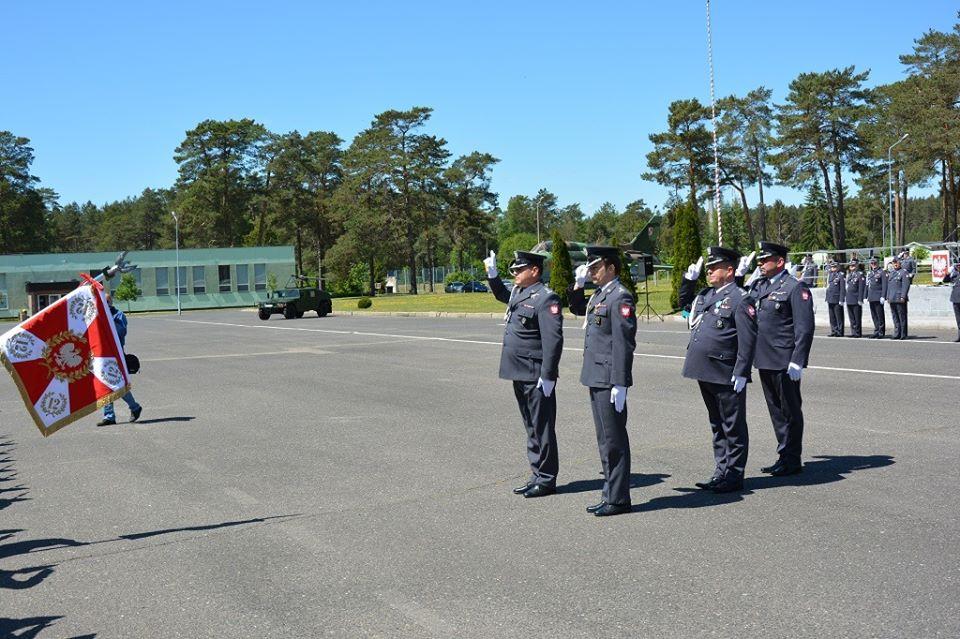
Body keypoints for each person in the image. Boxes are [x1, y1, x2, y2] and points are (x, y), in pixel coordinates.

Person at [484, 250, 564, 498]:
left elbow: (553, 341)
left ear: (535, 271)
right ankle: (537, 474)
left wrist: (548, 375)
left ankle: (547, 479)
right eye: (515, 270)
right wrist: (492, 274)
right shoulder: (520, 293)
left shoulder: (545, 298)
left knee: (542, 427)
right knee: (531, 427)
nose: (516, 274)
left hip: (535, 374)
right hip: (519, 371)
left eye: (520, 270)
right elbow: (502, 294)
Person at [679, 247, 758, 493]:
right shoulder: (706, 295)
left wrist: (742, 372)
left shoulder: (740, 298)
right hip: (705, 369)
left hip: (725, 372)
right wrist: (687, 282)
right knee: (717, 424)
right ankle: (721, 471)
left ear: (730, 270)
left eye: (715, 267)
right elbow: (684, 307)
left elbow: (748, 340)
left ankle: (734, 475)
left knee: (732, 426)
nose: (710, 271)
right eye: (709, 268)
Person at [568, 246, 637, 516]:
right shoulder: (600, 294)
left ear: (611, 268)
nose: (591, 272)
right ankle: (610, 493)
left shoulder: (620, 296)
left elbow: (623, 343)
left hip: (609, 378)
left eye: (595, 267)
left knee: (614, 440)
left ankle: (618, 499)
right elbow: (576, 308)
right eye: (590, 268)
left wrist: (620, 382)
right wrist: (578, 285)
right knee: (605, 440)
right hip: (596, 375)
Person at [745, 241, 815, 476]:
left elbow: (804, 327)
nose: (761, 264)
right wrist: (741, 278)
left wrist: (798, 360)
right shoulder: (759, 285)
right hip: (764, 358)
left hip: (784, 361)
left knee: (790, 411)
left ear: (780, 261)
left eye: (765, 260)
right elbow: (742, 303)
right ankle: (783, 455)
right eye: (760, 261)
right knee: (776, 411)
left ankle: (792, 459)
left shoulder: (795, 287)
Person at [97, 293, 143, 426]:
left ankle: (134, 407)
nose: (104, 305)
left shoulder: (118, 315)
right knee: (105, 385)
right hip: (102, 355)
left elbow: (119, 333)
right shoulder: (97, 316)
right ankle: (109, 416)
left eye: (106, 302)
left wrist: (106, 319)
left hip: (116, 355)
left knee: (117, 385)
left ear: (110, 302)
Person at [887, 255, 911, 340]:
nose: (895, 264)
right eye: (894, 263)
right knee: (895, 316)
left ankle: (903, 334)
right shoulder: (891, 273)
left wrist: (903, 296)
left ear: (900, 263)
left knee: (902, 316)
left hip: (900, 298)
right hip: (892, 298)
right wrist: (888, 297)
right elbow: (889, 286)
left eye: (896, 262)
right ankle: (897, 333)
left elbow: (906, 285)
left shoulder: (904, 272)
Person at [865, 257, 888, 339]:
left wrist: (883, 296)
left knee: (880, 315)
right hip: (871, 296)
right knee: (874, 315)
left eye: (875, 263)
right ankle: (876, 330)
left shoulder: (882, 272)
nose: (873, 264)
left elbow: (884, 285)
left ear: (878, 263)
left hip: (878, 296)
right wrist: (865, 295)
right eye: (872, 263)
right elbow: (867, 285)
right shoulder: (869, 273)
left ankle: (881, 332)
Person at [844, 259, 866, 338]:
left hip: (856, 298)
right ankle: (853, 332)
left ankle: (857, 332)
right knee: (851, 317)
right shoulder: (849, 275)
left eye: (853, 265)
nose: (851, 267)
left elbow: (861, 288)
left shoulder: (860, 275)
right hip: (849, 298)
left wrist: (860, 299)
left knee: (857, 317)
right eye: (851, 266)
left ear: (857, 266)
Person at [824, 261, 845, 337]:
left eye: (835, 267)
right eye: (832, 267)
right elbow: (828, 287)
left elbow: (842, 288)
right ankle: (834, 330)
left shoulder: (840, 275)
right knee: (832, 316)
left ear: (838, 267)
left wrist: (841, 299)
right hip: (830, 298)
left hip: (837, 298)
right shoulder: (830, 275)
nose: (833, 268)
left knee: (839, 316)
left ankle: (840, 331)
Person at [941, 261, 960, 342]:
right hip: (955, 298)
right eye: (957, 265)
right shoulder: (954, 273)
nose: (958, 267)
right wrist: (948, 273)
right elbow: (945, 280)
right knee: (958, 319)